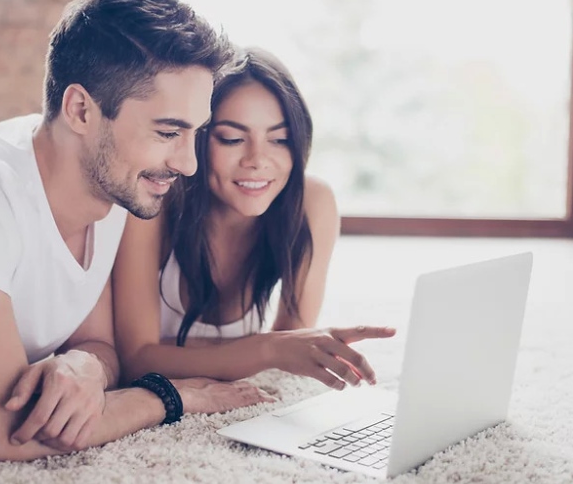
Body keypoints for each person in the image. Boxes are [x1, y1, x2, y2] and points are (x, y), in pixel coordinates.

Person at [0, 0, 271, 462]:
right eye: (168, 132)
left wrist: (86, 366)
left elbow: (96, 342)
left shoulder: (115, 188)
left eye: (193, 134)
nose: (188, 164)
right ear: (80, 110)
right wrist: (170, 396)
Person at [113, 47, 396, 389]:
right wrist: (266, 347)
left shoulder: (311, 203)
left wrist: (279, 348)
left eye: (279, 139)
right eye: (232, 139)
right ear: (197, 140)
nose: (258, 160)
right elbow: (136, 360)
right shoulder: (154, 201)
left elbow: (293, 345)